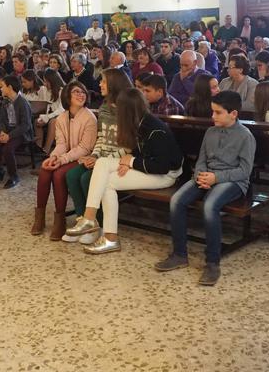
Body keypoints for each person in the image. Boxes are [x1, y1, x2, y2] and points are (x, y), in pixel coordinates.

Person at [65, 88, 184, 254]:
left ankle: (109, 238)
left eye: (118, 108)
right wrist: (130, 161)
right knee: (103, 163)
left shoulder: (156, 129)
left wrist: (133, 162)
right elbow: (139, 149)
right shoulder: (139, 122)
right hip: (148, 166)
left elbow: (162, 166)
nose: (115, 110)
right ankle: (90, 219)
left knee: (107, 183)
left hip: (166, 175)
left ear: (127, 110)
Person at [154, 90, 255, 285]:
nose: (212, 116)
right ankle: (179, 254)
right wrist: (200, 175)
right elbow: (201, 159)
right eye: (212, 112)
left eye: (218, 112)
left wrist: (216, 178)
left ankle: (212, 263)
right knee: (177, 201)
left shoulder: (245, 136)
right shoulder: (210, 131)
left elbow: (244, 171)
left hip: (232, 181)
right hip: (206, 177)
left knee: (210, 206)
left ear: (233, 114)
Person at [63, 69, 133, 246]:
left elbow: (129, 146)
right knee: (72, 175)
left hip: (119, 159)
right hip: (101, 156)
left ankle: (98, 225)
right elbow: (101, 137)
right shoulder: (104, 107)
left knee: (87, 178)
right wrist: (94, 155)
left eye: (103, 81)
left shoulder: (128, 108)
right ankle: (84, 220)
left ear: (114, 84)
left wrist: (102, 160)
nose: (99, 84)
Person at [34, 81, 97, 240]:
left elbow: (85, 148)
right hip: (66, 156)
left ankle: (60, 220)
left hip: (83, 158)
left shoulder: (89, 117)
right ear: (67, 96)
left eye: (82, 92)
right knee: (45, 172)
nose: (80, 94)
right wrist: (53, 157)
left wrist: (61, 160)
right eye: (76, 92)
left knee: (58, 174)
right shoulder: (62, 117)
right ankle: (39, 218)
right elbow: (61, 143)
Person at [0, 75, 33, 189]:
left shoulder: (23, 103)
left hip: (21, 133)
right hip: (8, 132)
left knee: (7, 148)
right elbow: (1, 120)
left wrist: (9, 136)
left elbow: (25, 125)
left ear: (9, 87)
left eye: (3, 86)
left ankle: (14, 176)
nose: (1, 89)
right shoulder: (5, 101)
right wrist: (2, 133)